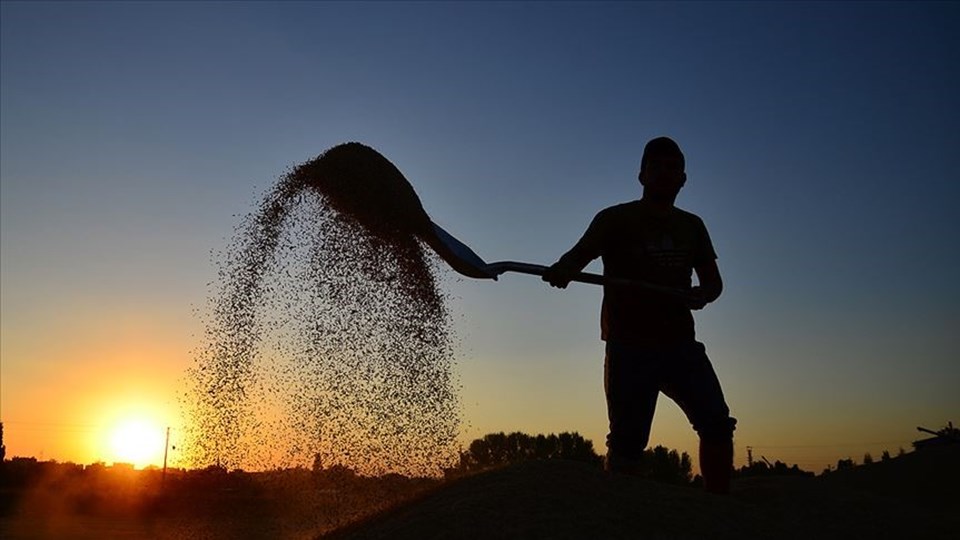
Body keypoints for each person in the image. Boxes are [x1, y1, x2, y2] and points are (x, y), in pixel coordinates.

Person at [542, 136, 736, 494]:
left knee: (717, 424)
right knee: (628, 445)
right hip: (629, 346)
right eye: (657, 166)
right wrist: (562, 270)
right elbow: (578, 256)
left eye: (673, 167)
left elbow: (713, 282)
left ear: (683, 179)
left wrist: (703, 295)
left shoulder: (692, 226)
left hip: (680, 344)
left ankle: (719, 506)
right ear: (642, 175)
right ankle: (621, 515)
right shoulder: (614, 219)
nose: (665, 173)